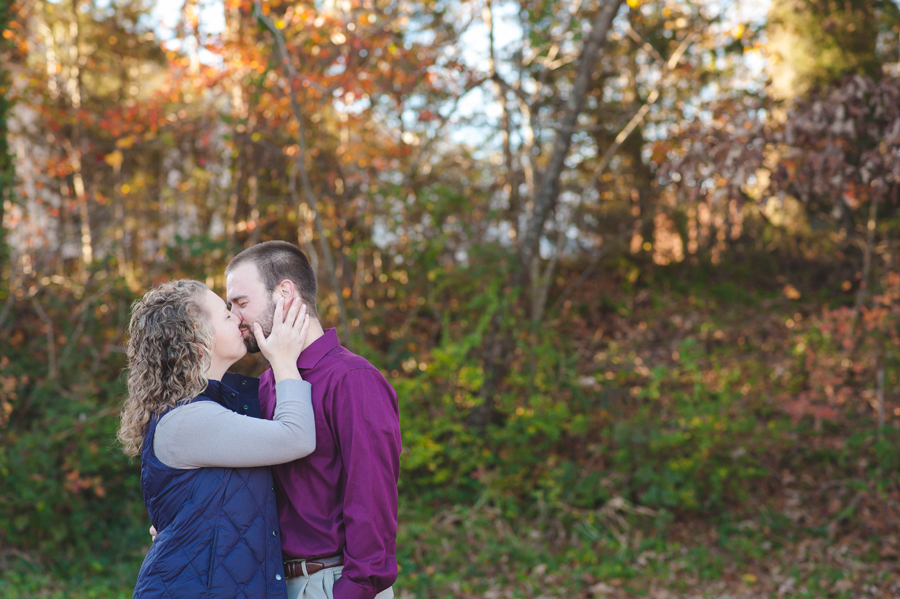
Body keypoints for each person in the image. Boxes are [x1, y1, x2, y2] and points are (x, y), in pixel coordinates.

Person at [225, 241, 401, 599]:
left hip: (332, 584)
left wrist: (352, 590)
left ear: (285, 293)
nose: (235, 316)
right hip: (272, 583)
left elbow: (372, 500)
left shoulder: (352, 379)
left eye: (241, 303)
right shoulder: (265, 386)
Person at [118, 279, 315, 598]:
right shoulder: (188, 420)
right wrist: (283, 361)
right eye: (225, 315)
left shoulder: (224, 401)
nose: (237, 317)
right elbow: (297, 437)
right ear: (198, 343)